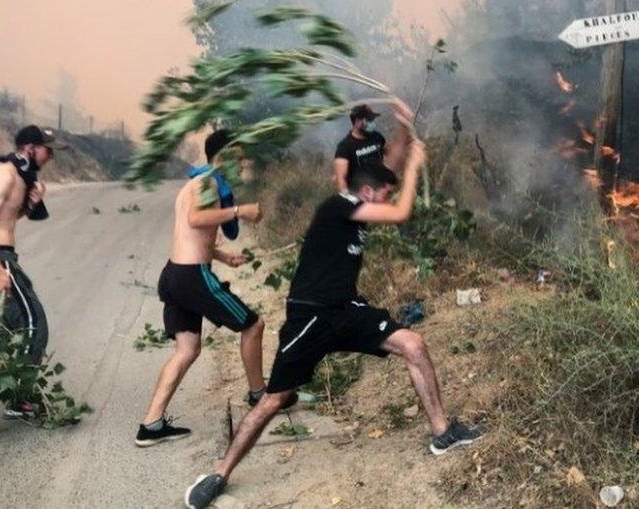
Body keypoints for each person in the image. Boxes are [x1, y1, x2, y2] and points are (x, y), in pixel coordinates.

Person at [184, 102, 481, 509]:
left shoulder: (358, 203)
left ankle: (442, 432)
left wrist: (405, 132)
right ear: (366, 194)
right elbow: (400, 211)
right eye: (382, 194)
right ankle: (219, 473)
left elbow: (385, 167)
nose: (386, 197)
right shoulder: (338, 204)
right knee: (274, 399)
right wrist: (414, 168)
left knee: (412, 344)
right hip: (311, 316)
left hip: (347, 308)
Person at [135, 130, 285, 447]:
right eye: (238, 155)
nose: (242, 163)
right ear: (225, 154)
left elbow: (188, 234)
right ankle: (259, 395)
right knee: (254, 325)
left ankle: (151, 423)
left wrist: (222, 255)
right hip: (192, 277)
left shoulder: (195, 183)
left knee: (187, 350)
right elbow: (195, 218)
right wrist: (240, 211)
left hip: (175, 273)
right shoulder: (207, 181)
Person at [0, 125, 67, 419]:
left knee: (8, 327)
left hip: (6, 255)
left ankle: (15, 392)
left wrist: (31, 204)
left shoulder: (22, 179)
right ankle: (18, 398)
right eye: (47, 150)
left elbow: (6, 219)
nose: (50, 156)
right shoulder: (4, 174)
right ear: (29, 148)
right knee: (33, 323)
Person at [332, 104, 388, 191]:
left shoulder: (377, 137)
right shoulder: (344, 147)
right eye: (369, 120)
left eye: (372, 119)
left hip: (380, 192)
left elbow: (390, 155)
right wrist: (351, 201)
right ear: (357, 121)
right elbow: (341, 180)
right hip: (361, 196)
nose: (372, 123)